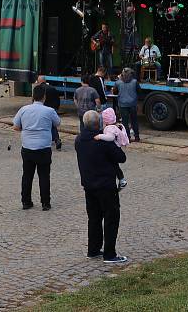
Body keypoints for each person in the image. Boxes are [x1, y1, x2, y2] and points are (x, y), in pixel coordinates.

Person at [75, 110, 128, 264]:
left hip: (89, 185)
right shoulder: (103, 142)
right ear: (98, 124)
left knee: (94, 218)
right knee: (111, 218)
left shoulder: (79, 140)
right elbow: (121, 158)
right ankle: (110, 254)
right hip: (105, 186)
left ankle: (93, 249)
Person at [13, 84, 61, 210]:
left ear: (32, 96)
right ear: (44, 97)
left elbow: (16, 126)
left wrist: (27, 129)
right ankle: (45, 203)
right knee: (44, 175)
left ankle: (26, 201)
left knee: (27, 175)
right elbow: (58, 123)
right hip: (44, 147)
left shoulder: (23, 110)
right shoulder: (49, 111)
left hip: (27, 146)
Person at [96, 108, 130, 188]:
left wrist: (99, 136)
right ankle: (121, 179)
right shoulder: (118, 125)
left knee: (114, 165)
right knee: (115, 165)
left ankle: (121, 180)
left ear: (106, 121)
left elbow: (110, 137)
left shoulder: (109, 128)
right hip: (118, 147)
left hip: (115, 148)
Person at [113, 67, 141, 142]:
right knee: (134, 120)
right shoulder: (135, 82)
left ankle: (128, 137)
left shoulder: (118, 82)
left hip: (122, 104)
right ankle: (137, 136)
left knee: (125, 122)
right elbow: (139, 91)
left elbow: (115, 92)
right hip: (133, 104)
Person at [36, 76, 62, 151]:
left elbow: (36, 99)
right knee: (53, 125)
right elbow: (58, 99)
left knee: (42, 125)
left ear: (39, 81)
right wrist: (56, 109)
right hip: (53, 109)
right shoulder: (52, 88)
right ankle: (57, 139)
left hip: (43, 109)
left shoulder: (39, 89)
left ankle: (42, 140)